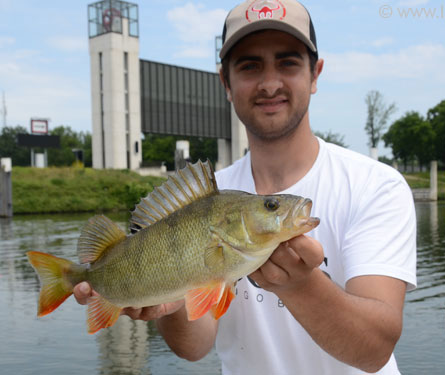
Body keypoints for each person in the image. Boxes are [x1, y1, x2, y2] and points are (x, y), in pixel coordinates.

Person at [74, 0, 417, 373]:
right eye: (250, 66)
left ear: (315, 74)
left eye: (287, 62)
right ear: (225, 81)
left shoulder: (376, 186)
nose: (270, 84)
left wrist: (301, 285)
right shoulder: (208, 196)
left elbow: (374, 352)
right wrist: (166, 305)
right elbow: (194, 347)